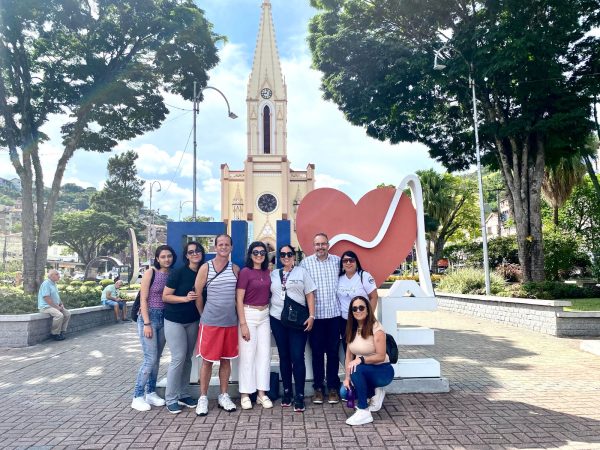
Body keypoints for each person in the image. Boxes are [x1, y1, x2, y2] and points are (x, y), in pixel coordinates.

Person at [194, 234, 240, 416]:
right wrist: (203, 314)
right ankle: (203, 398)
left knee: (226, 360)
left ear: (231, 247)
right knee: (206, 361)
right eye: (220, 244)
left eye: (226, 244)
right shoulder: (206, 267)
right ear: (215, 247)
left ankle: (223, 395)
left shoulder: (235, 269)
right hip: (210, 321)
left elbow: (238, 296)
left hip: (230, 322)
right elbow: (197, 294)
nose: (223, 247)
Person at [270, 244, 316, 412]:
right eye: (283, 254)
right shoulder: (274, 274)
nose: (286, 257)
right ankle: (287, 393)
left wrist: (312, 316)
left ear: (294, 256)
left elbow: (310, 294)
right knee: (284, 356)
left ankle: (300, 395)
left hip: (298, 321)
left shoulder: (302, 272)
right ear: (279, 257)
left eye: (289, 254)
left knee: (297, 357)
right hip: (277, 319)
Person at [131, 245, 176, 412]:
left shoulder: (172, 274)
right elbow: (143, 298)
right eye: (163, 256)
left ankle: (150, 392)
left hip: (164, 318)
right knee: (149, 359)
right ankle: (137, 396)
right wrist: (147, 323)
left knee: (157, 358)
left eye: (169, 256)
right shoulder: (151, 272)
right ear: (157, 258)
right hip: (148, 317)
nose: (166, 259)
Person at [162, 241, 204, 414]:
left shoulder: (204, 271)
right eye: (191, 252)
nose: (195, 254)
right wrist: (185, 299)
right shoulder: (178, 272)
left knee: (188, 358)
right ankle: (170, 398)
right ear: (186, 255)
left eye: (197, 251)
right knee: (178, 357)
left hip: (193, 320)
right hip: (174, 320)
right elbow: (166, 296)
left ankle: (183, 394)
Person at [300, 232, 341, 404]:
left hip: (334, 315)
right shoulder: (305, 263)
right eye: (317, 244)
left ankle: (332, 388)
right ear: (313, 245)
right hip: (315, 317)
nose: (320, 247)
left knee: (333, 353)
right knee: (316, 354)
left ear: (328, 245)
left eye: (323, 244)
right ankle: (318, 388)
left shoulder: (338, 261)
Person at [343, 296, 394, 426]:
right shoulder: (351, 328)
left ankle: (364, 411)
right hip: (364, 370)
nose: (358, 311)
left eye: (361, 307)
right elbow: (348, 356)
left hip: (382, 370)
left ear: (368, 309)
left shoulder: (376, 328)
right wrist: (347, 378)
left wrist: (360, 359)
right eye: (354, 308)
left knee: (356, 368)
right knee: (344, 392)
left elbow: (381, 356)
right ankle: (374, 392)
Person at [235, 241, 273, 410]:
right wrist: (243, 323)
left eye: (262, 252)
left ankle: (261, 394)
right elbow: (239, 299)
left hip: (264, 316)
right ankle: (245, 394)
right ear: (250, 254)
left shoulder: (267, 272)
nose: (259, 255)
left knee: (264, 356)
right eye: (256, 252)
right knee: (247, 355)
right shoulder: (245, 272)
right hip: (248, 315)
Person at [337, 250, 378, 353]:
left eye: (351, 260)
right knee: (348, 350)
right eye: (345, 261)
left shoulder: (363, 276)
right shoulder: (339, 278)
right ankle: (350, 369)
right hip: (344, 321)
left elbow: (374, 297)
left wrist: (368, 317)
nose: (348, 263)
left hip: (361, 320)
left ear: (356, 262)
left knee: (363, 350)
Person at [38, 269, 71, 341]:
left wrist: (61, 304)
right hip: (46, 307)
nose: (59, 276)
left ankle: (61, 332)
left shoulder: (54, 284)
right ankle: (54, 334)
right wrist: (57, 307)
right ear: (51, 276)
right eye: (57, 274)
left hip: (54, 306)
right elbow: (46, 298)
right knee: (59, 315)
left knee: (67, 314)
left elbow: (57, 296)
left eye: (58, 274)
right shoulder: (46, 284)